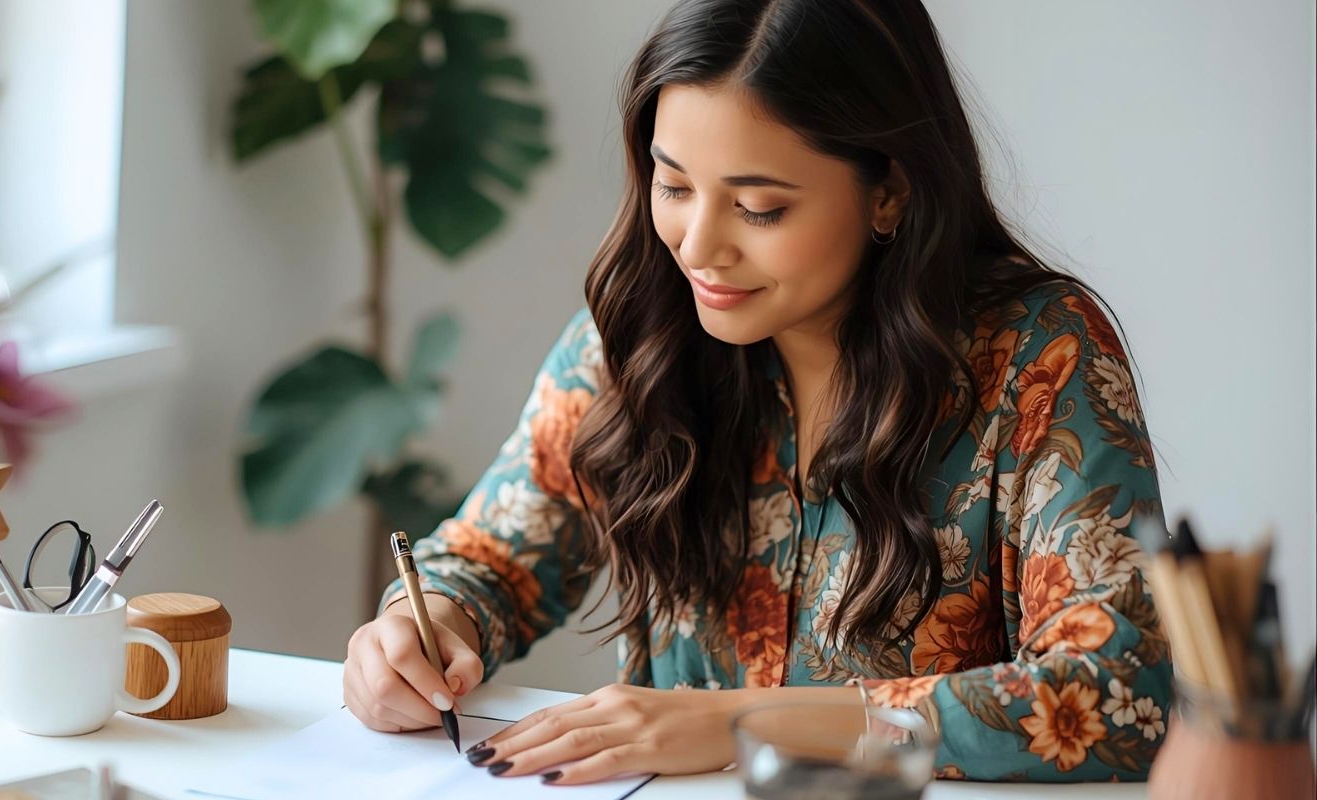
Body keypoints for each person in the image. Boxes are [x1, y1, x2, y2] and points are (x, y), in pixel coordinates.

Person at [344, 0, 1169, 784]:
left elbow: (1116, 688)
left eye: (758, 207)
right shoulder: (646, 327)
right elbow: (490, 556)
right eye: (673, 186)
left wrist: (742, 722)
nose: (698, 247)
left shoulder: (1038, 354)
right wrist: (425, 627)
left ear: (890, 192)